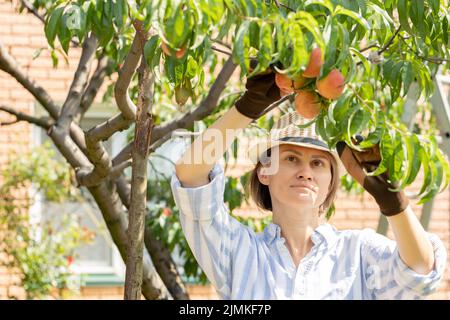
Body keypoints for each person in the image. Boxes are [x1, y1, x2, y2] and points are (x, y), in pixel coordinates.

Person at [170, 66, 447, 299]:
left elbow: (420, 272)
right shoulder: (241, 253)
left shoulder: (357, 252)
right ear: (264, 171)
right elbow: (190, 176)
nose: (306, 172)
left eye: (318, 163)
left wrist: (394, 204)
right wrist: (245, 110)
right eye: (291, 158)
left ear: (330, 183)